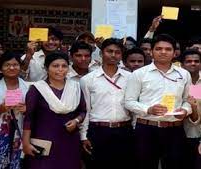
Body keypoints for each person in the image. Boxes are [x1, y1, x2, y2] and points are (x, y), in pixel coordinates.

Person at [125, 34, 192, 169]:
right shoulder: (139, 73)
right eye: (158, 48)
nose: (163, 52)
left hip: (174, 129)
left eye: (168, 49)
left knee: (174, 165)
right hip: (146, 129)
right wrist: (148, 109)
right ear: (151, 51)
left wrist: (185, 110)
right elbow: (128, 101)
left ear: (174, 53)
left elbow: (188, 100)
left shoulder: (184, 74)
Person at [22, 51, 87, 169]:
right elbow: (28, 118)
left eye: (64, 66)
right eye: (55, 66)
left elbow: (83, 111)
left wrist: (76, 121)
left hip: (69, 140)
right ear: (47, 68)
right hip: (44, 140)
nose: (60, 69)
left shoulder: (75, 87)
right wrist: (25, 143)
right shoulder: (37, 89)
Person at [80, 38, 133, 169]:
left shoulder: (130, 78)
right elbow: (85, 109)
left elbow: (133, 107)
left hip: (124, 131)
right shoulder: (87, 80)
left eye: (117, 52)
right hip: (97, 131)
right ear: (101, 53)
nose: (113, 55)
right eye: (109, 51)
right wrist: (83, 135)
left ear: (121, 55)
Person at [0, 51, 30, 169]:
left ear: (20, 67)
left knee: (19, 163)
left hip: (22, 130)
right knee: (0, 162)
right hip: (0, 132)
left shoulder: (29, 87)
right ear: (1, 68)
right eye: (7, 65)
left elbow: (36, 113)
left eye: (15, 64)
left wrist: (27, 110)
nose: (12, 68)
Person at [180, 49, 201, 169]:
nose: (193, 63)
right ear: (182, 64)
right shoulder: (175, 82)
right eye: (188, 61)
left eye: (196, 61)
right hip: (179, 133)